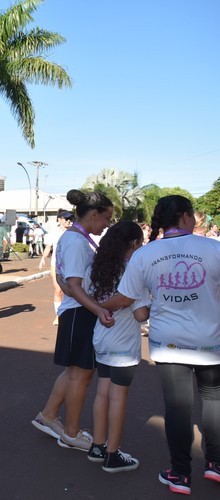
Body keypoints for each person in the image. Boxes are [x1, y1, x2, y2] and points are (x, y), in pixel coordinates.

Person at [100, 195, 220, 495]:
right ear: (184, 217)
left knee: (178, 408)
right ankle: (215, 464)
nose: (195, 221)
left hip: (169, 343)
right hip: (211, 340)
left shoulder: (146, 254)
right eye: (193, 215)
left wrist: (98, 306)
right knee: (214, 401)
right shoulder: (213, 248)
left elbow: (126, 298)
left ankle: (180, 473)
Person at [31, 189, 114, 452]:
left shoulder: (77, 238)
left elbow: (66, 280)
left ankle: (49, 415)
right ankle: (71, 432)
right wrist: (99, 309)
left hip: (77, 311)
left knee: (75, 373)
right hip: (80, 313)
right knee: (81, 375)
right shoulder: (78, 242)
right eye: (106, 218)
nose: (107, 224)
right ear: (93, 214)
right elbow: (75, 285)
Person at [88, 221, 147, 473]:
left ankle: (98, 446)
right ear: (133, 244)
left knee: (102, 392)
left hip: (101, 337)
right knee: (118, 397)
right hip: (123, 343)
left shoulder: (98, 268)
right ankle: (113, 454)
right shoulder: (132, 271)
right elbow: (141, 315)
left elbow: (92, 297)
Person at [38, 210, 74, 325]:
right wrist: (43, 258)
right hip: (56, 264)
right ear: (59, 219)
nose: (68, 221)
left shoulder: (74, 232)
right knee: (58, 290)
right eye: (66, 219)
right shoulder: (53, 232)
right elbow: (49, 247)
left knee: (70, 290)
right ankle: (58, 315)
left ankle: (67, 312)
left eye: (70, 219)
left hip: (71, 264)